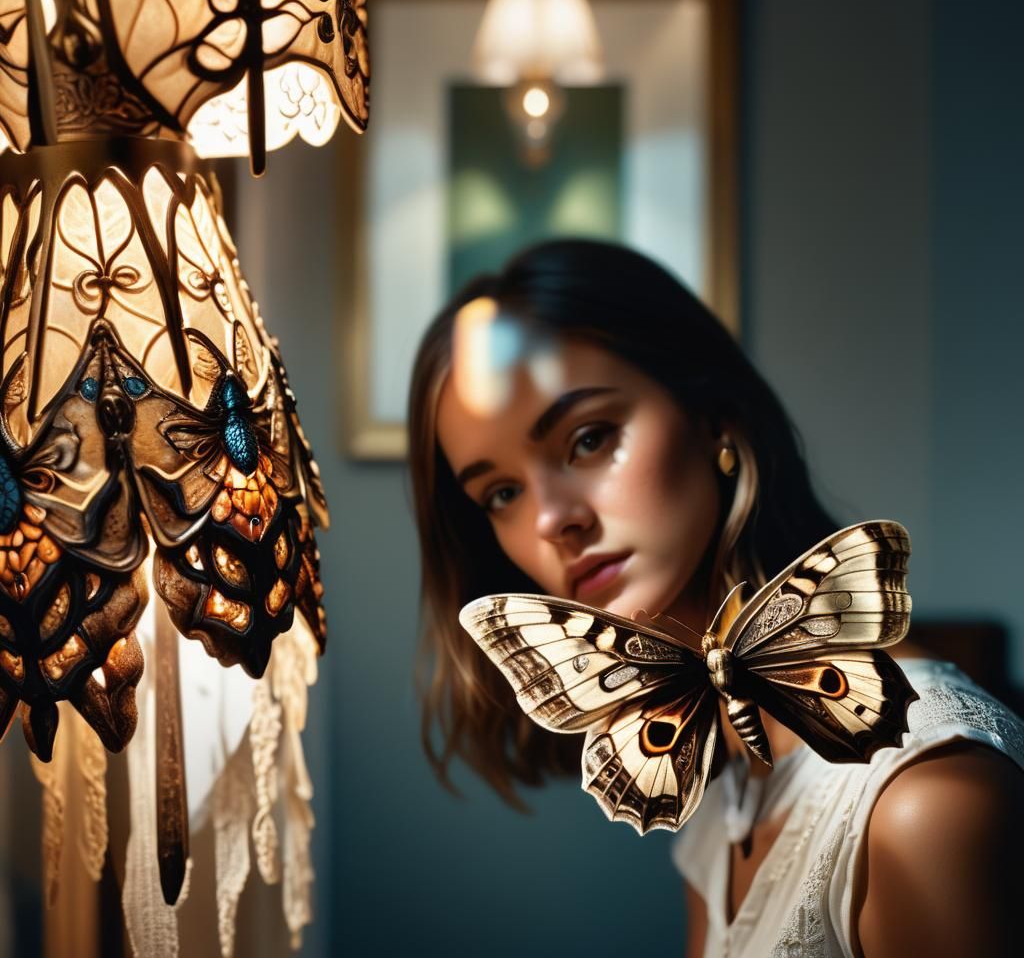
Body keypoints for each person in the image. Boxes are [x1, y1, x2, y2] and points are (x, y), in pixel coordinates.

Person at [407, 239, 1024, 958]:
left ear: (715, 418)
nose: (552, 519)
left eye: (590, 439)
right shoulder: (723, 788)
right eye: (502, 493)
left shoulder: (924, 811)